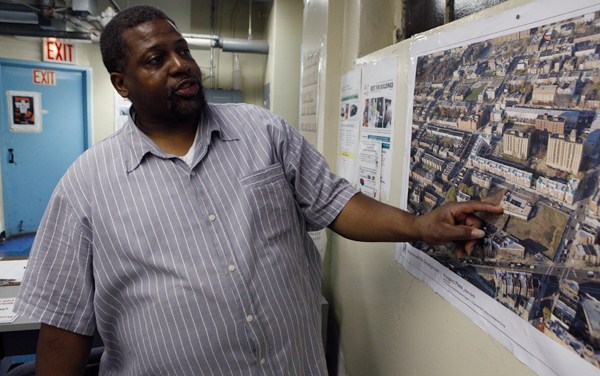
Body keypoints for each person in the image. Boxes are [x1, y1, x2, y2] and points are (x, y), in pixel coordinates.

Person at [15, 5, 503, 376]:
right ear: (122, 84)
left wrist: (419, 225)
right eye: (156, 59)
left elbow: (337, 205)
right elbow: (64, 325)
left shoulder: (262, 132)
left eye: (182, 50)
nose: (181, 65)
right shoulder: (86, 185)